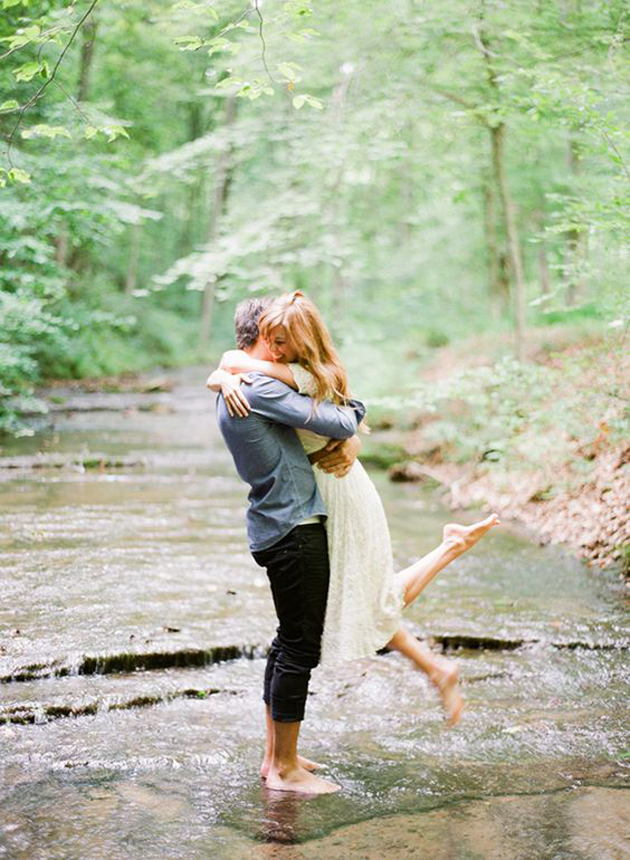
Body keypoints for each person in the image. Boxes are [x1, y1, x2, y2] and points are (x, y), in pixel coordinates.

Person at [210, 291, 500, 731]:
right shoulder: (261, 371)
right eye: (272, 338)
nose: (276, 348)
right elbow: (231, 363)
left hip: (339, 490)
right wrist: (224, 376)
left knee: (365, 595)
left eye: (283, 340)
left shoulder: (297, 372)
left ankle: (443, 608)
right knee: (360, 597)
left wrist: (350, 439)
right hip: (319, 492)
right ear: (262, 335)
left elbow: (350, 415)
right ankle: (437, 656)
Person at [210, 297, 366, 795]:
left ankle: (276, 756)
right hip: (294, 527)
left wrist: (228, 370)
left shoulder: (244, 381)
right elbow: (342, 421)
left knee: (285, 643)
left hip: (275, 524)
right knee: (300, 647)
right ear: (256, 340)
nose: (284, 354)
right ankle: (284, 769)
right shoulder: (257, 386)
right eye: (276, 343)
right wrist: (356, 412)